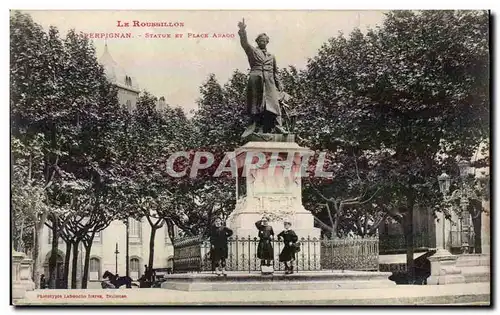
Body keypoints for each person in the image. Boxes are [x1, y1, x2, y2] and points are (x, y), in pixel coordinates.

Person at [238, 18, 286, 136]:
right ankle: (254, 126)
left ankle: (278, 126)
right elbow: (244, 43)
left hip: (269, 82)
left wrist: (279, 85)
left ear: (267, 42)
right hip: (256, 80)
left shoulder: (271, 56)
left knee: (274, 103)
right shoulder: (253, 51)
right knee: (257, 105)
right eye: (260, 40)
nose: (262, 42)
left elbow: (275, 72)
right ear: (257, 41)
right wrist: (242, 31)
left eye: (264, 40)